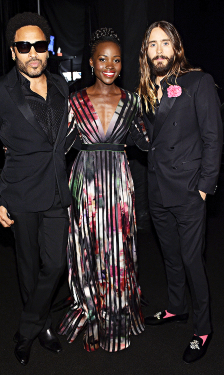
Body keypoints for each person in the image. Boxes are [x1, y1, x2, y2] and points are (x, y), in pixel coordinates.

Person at [0, 12, 71, 366]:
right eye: (23, 46)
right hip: (19, 195)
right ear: (13, 52)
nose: (33, 53)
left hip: (58, 193)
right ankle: (43, 327)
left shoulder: (62, 86)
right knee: (29, 267)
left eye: (39, 45)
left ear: (49, 49)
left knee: (57, 264)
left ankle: (25, 328)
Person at [58, 28, 149, 352]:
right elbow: (62, 145)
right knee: (89, 249)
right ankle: (92, 313)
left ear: (122, 65)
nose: (109, 65)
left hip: (119, 186)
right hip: (87, 184)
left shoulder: (133, 101)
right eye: (102, 59)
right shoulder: (75, 101)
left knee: (118, 250)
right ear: (92, 63)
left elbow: (147, 141)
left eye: (116, 60)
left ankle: (116, 316)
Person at [138, 20, 223, 363]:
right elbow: (149, 142)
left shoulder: (198, 82)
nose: (158, 50)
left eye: (164, 43)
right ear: (146, 52)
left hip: (188, 190)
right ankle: (176, 307)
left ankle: (203, 328)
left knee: (191, 260)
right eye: (152, 44)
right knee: (170, 255)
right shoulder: (144, 89)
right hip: (157, 187)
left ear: (176, 48)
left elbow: (213, 138)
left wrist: (204, 188)